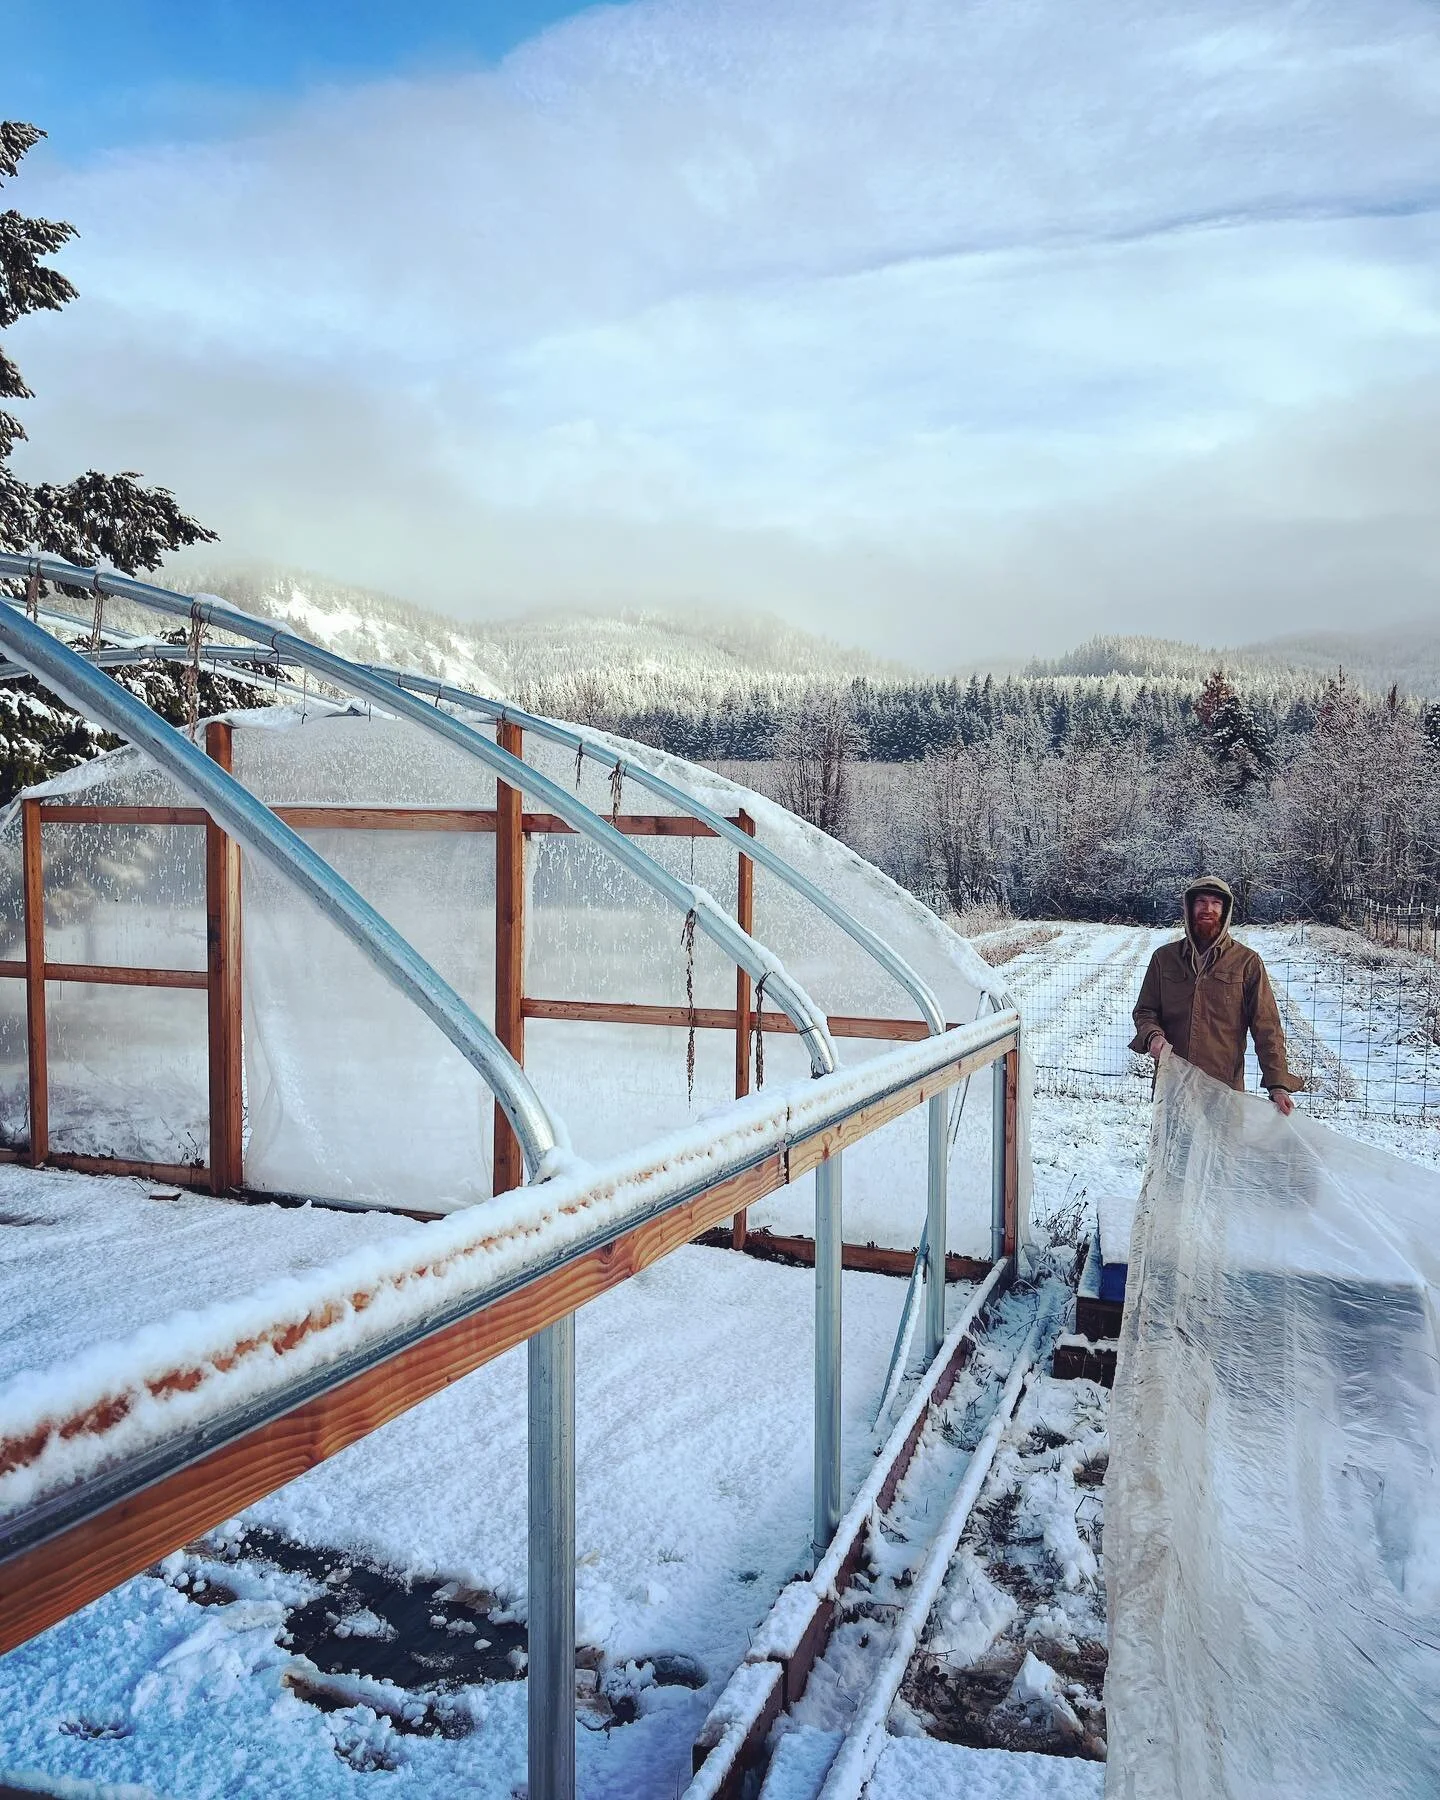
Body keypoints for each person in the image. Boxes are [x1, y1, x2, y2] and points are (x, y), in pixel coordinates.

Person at [1131, 876, 1302, 1114]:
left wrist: (1278, 1084)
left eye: (1215, 903)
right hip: (1172, 1086)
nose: (1208, 909)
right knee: (1174, 1151)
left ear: (1226, 910)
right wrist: (1152, 1036)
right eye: (1200, 901)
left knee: (1219, 1152)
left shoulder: (1246, 962)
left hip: (1224, 1089)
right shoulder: (1164, 958)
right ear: (1189, 907)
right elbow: (1145, 1010)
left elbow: (1267, 1026)